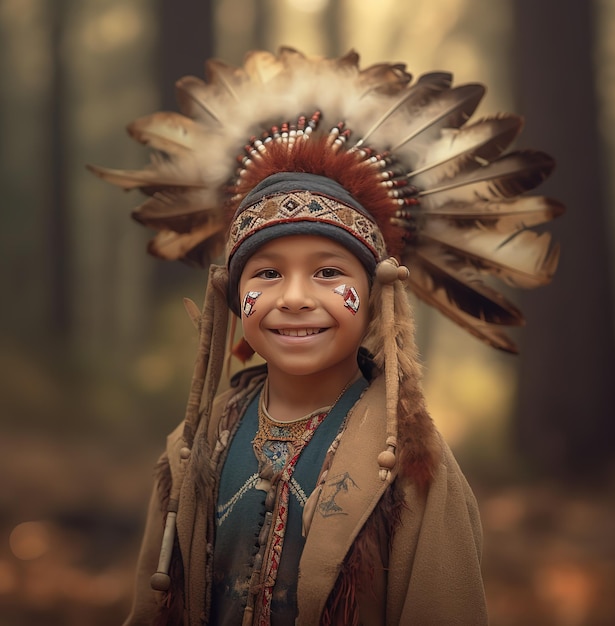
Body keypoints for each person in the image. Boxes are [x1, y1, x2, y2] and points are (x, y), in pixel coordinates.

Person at [90, 48, 562, 625]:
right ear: (234, 298)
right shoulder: (196, 443)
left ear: (377, 297)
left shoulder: (413, 467)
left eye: (328, 272)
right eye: (266, 273)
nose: (293, 297)